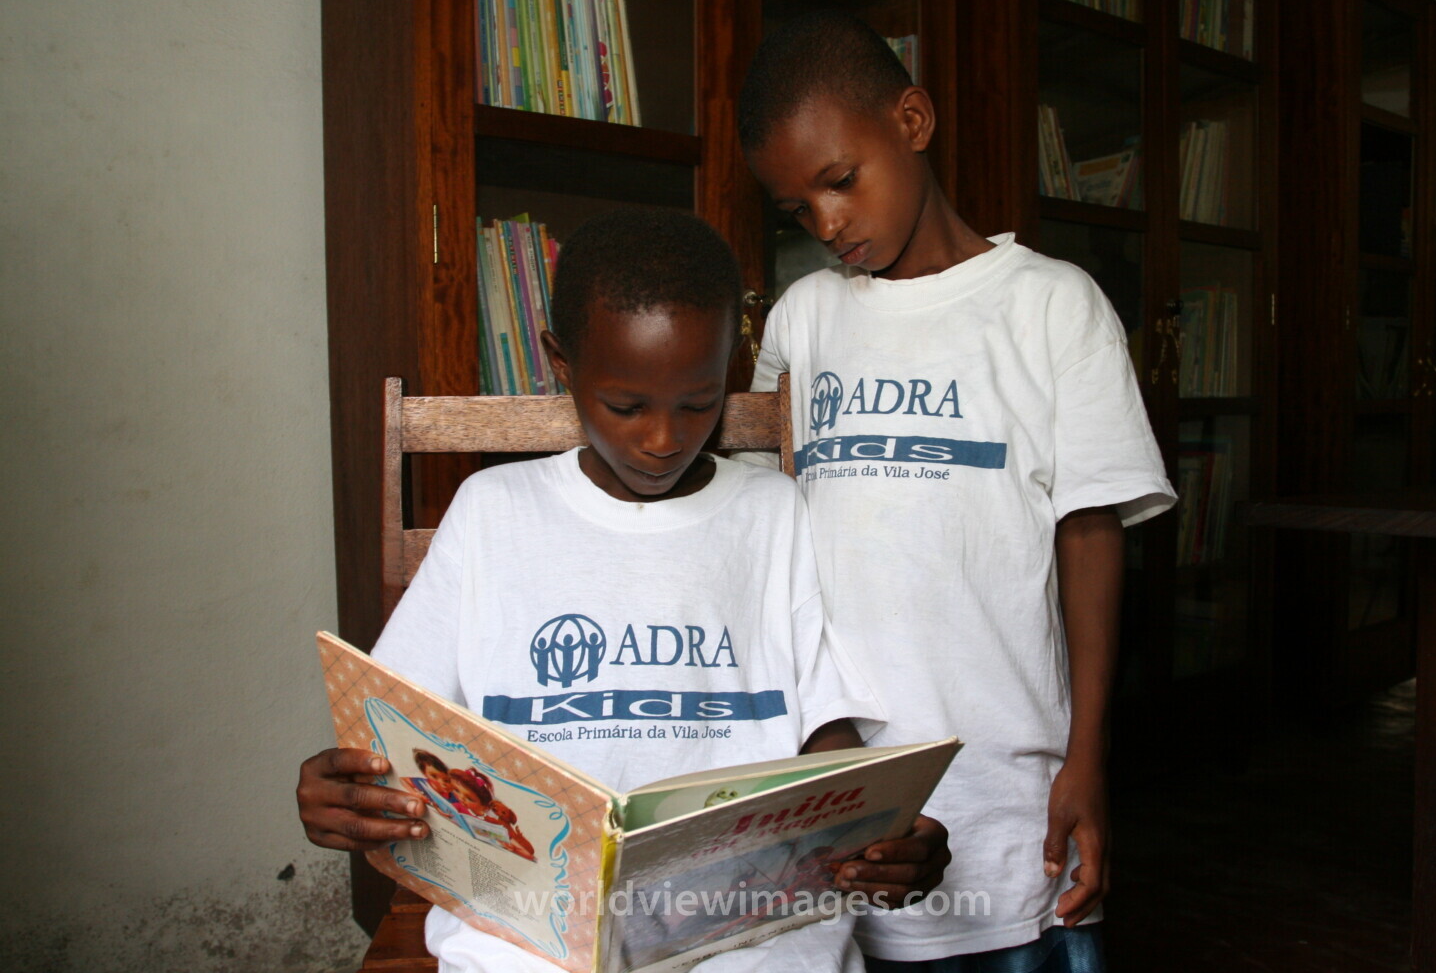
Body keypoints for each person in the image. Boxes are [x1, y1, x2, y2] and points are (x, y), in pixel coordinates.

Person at [296, 208, 952, 973]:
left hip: (748, 940)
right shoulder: (492, 511)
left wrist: (885, 826)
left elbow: (824, 730)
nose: (664, 439)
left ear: (731, 368)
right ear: (562, 364)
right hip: (530, 944)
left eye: (699, 403)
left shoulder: (771, 515)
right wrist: (341, 789)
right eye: (627, 406)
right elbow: (393, 729)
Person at [736, 12, 1177, 972]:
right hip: (837, 796)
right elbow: (758, 544)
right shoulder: (803, 323)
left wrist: (1087, 759)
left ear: (912, 119)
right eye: (796, 211)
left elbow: (1090, 534)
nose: (827, 224)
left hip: (1007, 797)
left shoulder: (1052, 306)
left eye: (839, 180)